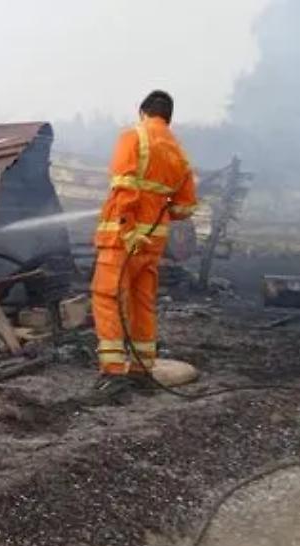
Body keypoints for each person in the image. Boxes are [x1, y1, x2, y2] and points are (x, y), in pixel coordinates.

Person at [89, 90, 199, 399]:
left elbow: (124, 187)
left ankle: (112, 374)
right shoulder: (179, 153)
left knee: (108, 298)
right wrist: (158, 205)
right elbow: (184, 208)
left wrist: (128, 229)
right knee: (142, 303)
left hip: (122, 240)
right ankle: (141, 370)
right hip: (152, 244)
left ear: (143, 112)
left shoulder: (134, 136)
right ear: (168, 117)